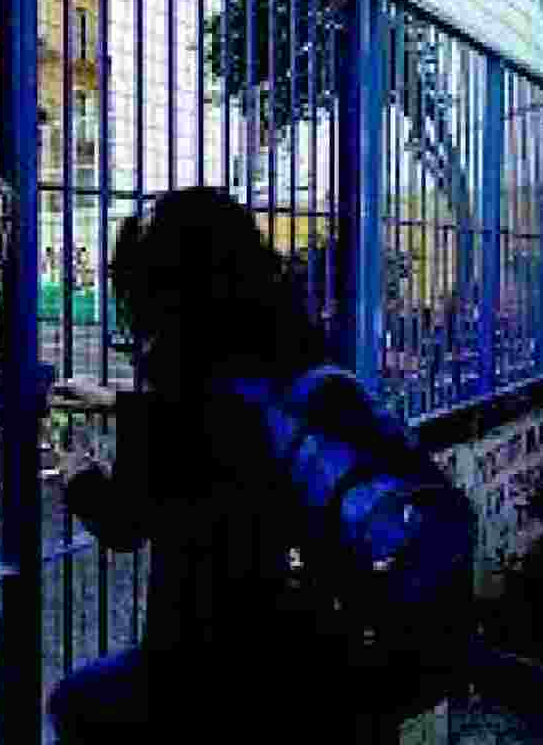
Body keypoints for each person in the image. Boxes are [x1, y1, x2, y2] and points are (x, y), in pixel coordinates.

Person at [46, 186, 345, 741]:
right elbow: (225, 422)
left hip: (206, 659)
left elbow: (123, 524)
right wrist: (119, 403)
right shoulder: (296, 349)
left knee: (71, 703)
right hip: (315, 638)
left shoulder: (178, 373)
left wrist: (77, 469)